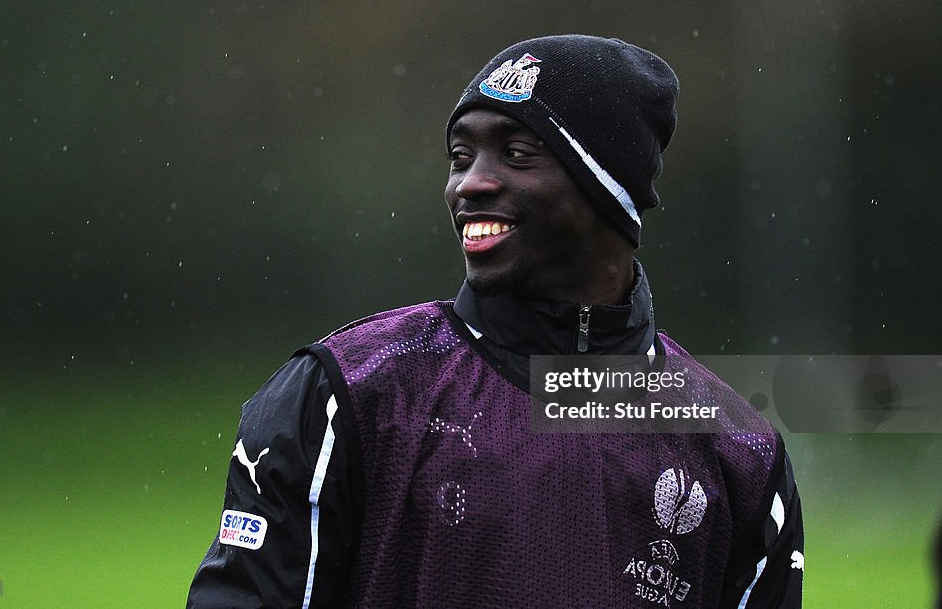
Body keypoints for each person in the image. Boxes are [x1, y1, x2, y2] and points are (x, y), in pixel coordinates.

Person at [187, 34, 804, 608]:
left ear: (607, 188)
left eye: (516, 153)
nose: (470, 184)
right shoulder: (347, 392)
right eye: (461, 156)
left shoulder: (735, 448)